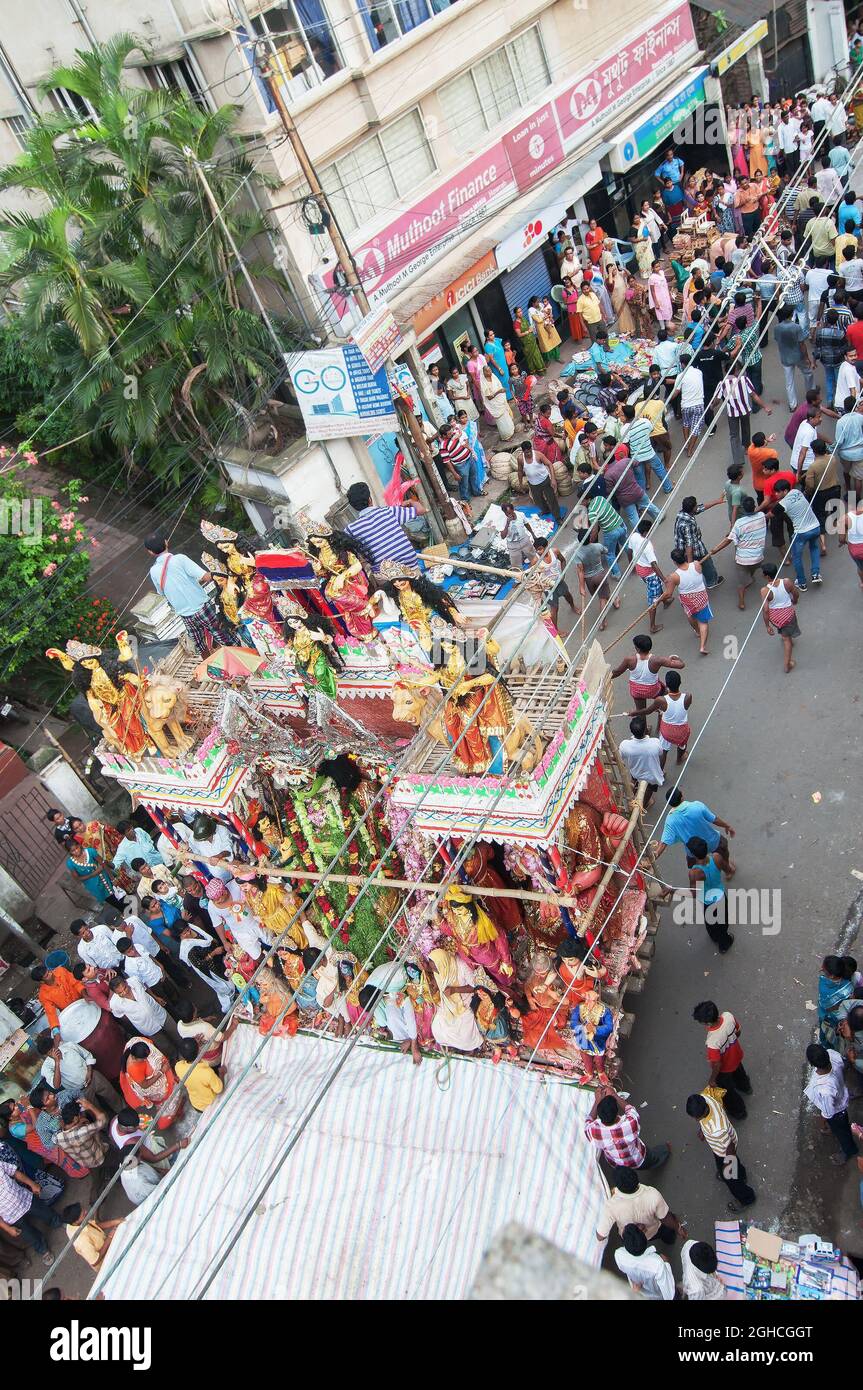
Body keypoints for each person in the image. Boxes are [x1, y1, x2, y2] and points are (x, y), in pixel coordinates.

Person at [145, 535, 237, 656]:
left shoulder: (154, 571)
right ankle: (242, 660)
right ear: (166, 542)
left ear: (150, 552)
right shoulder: (180, 559)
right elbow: (205, 576)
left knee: (201, 646)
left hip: (185, 615)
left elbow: (162, 592)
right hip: (202, 608)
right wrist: (220, 571)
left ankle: (210, 669)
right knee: (223, 636)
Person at [686, 1091, 756, 1210]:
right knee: (731, 1169)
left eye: (695, 1117)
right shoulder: (705, 1098)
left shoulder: (717, 1130)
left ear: (701, 1114)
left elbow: (730, 1148)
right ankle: (741, 1174)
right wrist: (703, 1130)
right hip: (721, 1145)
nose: (694, 1119)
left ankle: (746, 1198)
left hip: (726, 1152)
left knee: (732, 1180)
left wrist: (727, 1167)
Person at [595, 1165, 686, 1246]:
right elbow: (665, 1217)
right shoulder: (653, 1194)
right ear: (636, 1177)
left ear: (618, 1187)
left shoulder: (611, 1206)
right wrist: (678, 1228)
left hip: (632, 1239)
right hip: (654, 1230)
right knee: (666, 1234)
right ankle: (670, 1241)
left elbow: (600, 1236)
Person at [584, 1086, 670, 1170]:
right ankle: (665, 1150)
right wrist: (614, 1095)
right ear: (617, 1110)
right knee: (652, 1159)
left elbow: (588, 1121)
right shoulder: (629, 1124)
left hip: (616, 1163)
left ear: (599, 1115)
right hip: (637, 1159)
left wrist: (597, 1101)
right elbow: (630, 1110)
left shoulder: (593, 1132)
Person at [344, 481, 425, 570]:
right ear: (370, 500)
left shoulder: (350, 530)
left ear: (353, 506)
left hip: (385, 575)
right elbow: (421, 510)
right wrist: (410, 501)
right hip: (410, 566)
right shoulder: (388, 511)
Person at [0, 1154, 62, 1264]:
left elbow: (15, 1173)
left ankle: (57, 1222)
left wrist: (32, 1184)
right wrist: (8, 1229)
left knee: (45, 1212)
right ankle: (43, 1250)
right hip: (12, 1217)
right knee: (30, 1236)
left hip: (25, 1198)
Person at [804, 1042, 859, 1164]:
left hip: (837, 1112)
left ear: (812, 1064)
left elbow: (829, 1112)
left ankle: (848, 1150)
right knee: (842, 1128)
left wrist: (822, 1123)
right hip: (841, 1095)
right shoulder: (832, 1054)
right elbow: (844, 1064)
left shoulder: (824, 1090)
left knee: (842, 1132)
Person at [761, 479, 821, 589]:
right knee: (814, 548)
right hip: (815, 527)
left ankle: (802, 582)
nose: (776, 494)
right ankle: (815, 574)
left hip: (801, 532)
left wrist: (759, 517)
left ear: (785, 491)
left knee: (797, 557)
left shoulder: (782, 504)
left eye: (778, 492)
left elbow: (770, 515)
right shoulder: (797, 492)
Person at [714, 367, 772, 469]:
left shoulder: (722, 383)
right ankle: (746, 448)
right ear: (736, 370)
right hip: (744, 411)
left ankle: (738, 461)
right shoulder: (744, 380)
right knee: (746, 429)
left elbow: (717, 400)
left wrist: (711, 406)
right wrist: (765, 407)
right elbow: (753, 395)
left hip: (732, 413)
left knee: (734, 435)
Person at [611, 633, 684, 712]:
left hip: (636, 691)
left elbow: (617, 672)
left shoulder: (629, 660)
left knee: (641, 710)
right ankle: (666, 707)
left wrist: (605, 677)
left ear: (638, 649)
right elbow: (681, 665)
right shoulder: (657, 660)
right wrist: (677, 658)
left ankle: (643, 723)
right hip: (653, 690)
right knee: (665, 692)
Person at [662, 551, 714, 656]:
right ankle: (702, 646)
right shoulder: (696, 564)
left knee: (690, 615)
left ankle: (697, 631)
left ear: (674, 561)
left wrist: (658, 600)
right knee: (703, 622)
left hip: (687, 600)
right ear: (685, 557)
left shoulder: (674, 576)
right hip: (700, 596)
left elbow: (668, 594)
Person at [687, 836, 733, 952]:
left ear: (693, 854)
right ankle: (724, 942)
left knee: (711, 923)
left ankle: (717, 940)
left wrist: (672, 890)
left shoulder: (694, 872)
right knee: (722, 923)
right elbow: (728, 869)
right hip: (721, 897)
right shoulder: (717, 858)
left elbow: (693, 894)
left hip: (708, 902)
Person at [636, 670, 692, 767]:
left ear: (666, 685)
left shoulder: (661, 700)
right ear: (680, 682)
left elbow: (648, 711)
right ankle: (680, 758)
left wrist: (634, 712)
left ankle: (660, 772)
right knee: (682, 744)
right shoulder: (688, 697)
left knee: (664, 751)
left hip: (667, 730)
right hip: (682, 730)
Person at [614, 1224, 676, 1300]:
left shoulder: (619, 1255)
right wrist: (666, 1264)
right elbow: (669, 1294)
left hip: (638, 1292)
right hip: (657, 1295)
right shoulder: (657, 1263)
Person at [627, 518, 667, 632]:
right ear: (645, 532)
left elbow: (629, 551)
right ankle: (652, 626)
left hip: (640, 569)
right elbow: (653, 564)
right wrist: (664, 579)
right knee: (653, 600)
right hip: (650, 573)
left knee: (656, 588)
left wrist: (632, 565)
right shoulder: (647, 545)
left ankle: (665, 600)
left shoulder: (634, 536)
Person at [773, 303, 816, 410]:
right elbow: (802, 344)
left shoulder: (777, 328)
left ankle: (793, 405)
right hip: (798, 356)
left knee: (789, 382)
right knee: (808, 374)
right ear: (791, 314)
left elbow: (777, 340)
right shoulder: (796, 327)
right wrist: (807, 358)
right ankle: (812, 397)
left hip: (785, 357)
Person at [619, 715, 664, 807]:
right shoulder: (655, 742)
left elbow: (620, 757)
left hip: (636, 772)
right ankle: (645, 803)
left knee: (634, 782)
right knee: (649, 790)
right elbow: (660, 753)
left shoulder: (625, 745)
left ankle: (630, 798)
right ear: (645, 730)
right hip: (651, 775)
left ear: (632, 731)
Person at [55, 1097, 109, 1172]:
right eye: (80, 1114)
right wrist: (90, 1106)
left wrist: (79, 1123)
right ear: (75, 1119)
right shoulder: (82, 1133)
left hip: (85, 1162)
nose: (81, 1115)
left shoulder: (58, 1137)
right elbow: (102, 1120)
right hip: (99, 1159)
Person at [668, 353, 704, 456]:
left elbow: (676, 392)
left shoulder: (680, 376)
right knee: (696, 428)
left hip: (686, 405)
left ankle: (687, 443)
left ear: (682, 364)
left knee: (686, 424)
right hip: (698, 404)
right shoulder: (699, 372)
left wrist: (668, 400)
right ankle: (690, 449)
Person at [174, 1037, 224, 1112]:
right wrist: (222, 1073)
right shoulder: (207, 1073)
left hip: (196, 1104)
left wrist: (195, 1047)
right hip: (210, 1105)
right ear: (199, 1050)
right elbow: (219, 1089)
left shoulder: (178, 1067)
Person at [516, 441, 560, 521]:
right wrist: (520, 483)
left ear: (531, 449)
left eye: (529, 451)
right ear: (523, 451)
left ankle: (557, 517)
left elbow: (549, 464)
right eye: (526, 452)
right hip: (533, 484)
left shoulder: (538, 455)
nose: (529, 454)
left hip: (544, 480)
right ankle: (546, 510)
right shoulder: (520, 459)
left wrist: (553, 479)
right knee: (538, 500)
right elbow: (520, 471)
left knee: (551, 499)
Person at [838, 492, 863, 587]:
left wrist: (842, 542)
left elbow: (841, 538)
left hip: (856, 550)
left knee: (860, 567)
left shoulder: (844, 519)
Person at [501, 504, 536, 570]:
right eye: (506, 513)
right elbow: (503, 536)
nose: (509, 515)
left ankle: (537, 569)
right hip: (513, 544)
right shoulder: (502, 520)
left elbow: (526, 524)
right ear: (504, 512)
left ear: (513, 509)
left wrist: (533, 534)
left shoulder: (521, 514)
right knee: (515, 564)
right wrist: (507, 524)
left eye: (510, 512)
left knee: (533, 555)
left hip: (524, 540)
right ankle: (519, 577)